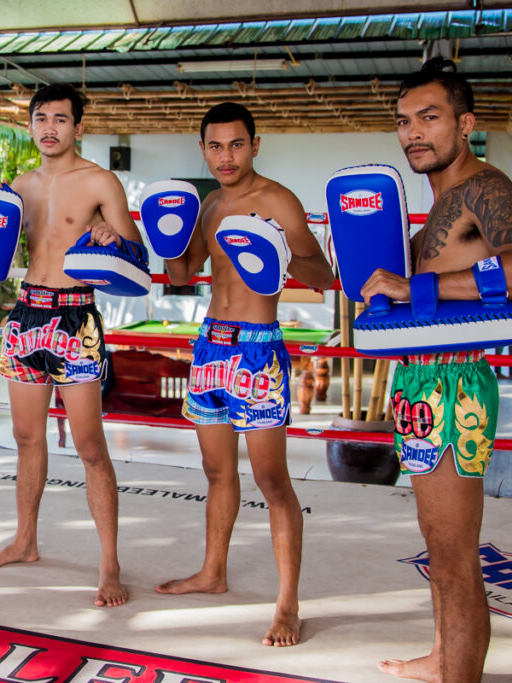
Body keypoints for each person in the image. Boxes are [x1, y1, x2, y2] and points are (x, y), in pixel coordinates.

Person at [362, 58, 512, 683]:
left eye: (429, 118)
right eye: (404, 122)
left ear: (466, 122)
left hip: (454, 383)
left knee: (455, 556)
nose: (413, 133)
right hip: (421, 383)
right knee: (438, 545)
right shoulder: (440, 203)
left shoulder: (488, 186)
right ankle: (442, 659)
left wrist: (418, 285)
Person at [158, 102, 334, 646]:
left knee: (273, 481)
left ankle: (288, 605)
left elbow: (322, 274)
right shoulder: (209, 205)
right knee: (216, 473)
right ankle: (213, 573)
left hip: (258, 349)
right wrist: (164, 239)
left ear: (255, 145)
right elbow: (184, 272)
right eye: (215, 146)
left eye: (236, 144)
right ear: (204, 149)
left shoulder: (277, 200)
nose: (226, 156)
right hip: (212, 346)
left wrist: (275, 250)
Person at [0, 83, 138, 608]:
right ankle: (25, 540)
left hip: (76, 316)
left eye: (60, 119)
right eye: (40, 118)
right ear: (31, 125)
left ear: (78, 127)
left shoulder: (100, 180)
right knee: (25, 439)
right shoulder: (19, 186)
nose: (49, 128)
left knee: (90, 447)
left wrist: (115, 238)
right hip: (25, 315)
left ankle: (109, 563)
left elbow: (136, 256)